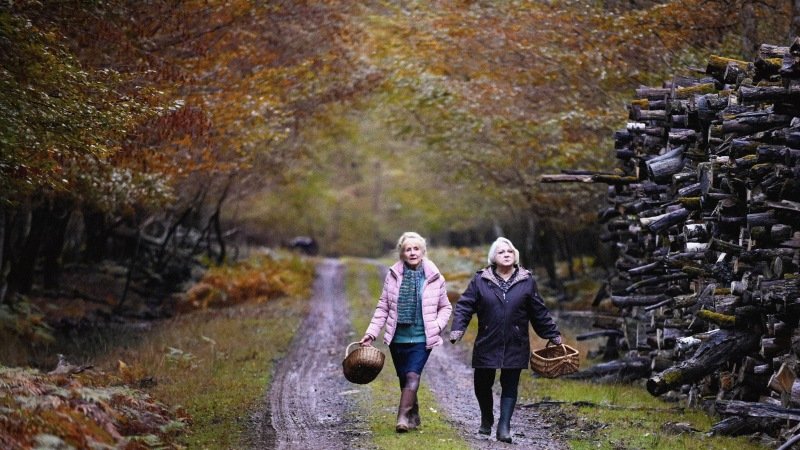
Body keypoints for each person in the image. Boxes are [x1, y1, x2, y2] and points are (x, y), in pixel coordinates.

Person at [449, 237, 562, 443]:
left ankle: (504, 427)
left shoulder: (527, 280)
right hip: (487, 339)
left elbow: (539, 311)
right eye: (501, 252)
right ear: (494, 257)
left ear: (515, 255)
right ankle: (486, 418)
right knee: (482, 383)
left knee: (510, 383)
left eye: (510, 251)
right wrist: (458, 328)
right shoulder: (481, 280)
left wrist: (553, 335)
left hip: (515, 341)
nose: (507, 254)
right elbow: (465, 305)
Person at [359, 232, 452, 432]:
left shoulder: (435, 277)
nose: (412, 253)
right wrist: (371, 333)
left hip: (422, 337)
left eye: (416, 249)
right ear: (401, 253)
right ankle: (413, 413)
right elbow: (383, 307)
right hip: (397, 338)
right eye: (408, 249)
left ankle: (401, 418)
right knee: (404, 378)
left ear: (423, 251)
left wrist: (436, 326)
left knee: (412, 376)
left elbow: (446, 307)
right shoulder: (393, 276)